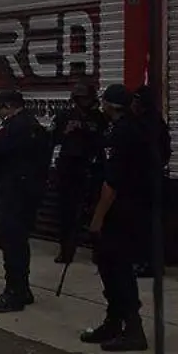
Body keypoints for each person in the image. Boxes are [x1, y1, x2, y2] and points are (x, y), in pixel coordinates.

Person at [82, 84, 154, 352]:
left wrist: (97, 218)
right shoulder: (129, 128)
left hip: (119, 214)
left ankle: (133, 330)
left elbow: (111, 183)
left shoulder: (122, 133)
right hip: (129, 210)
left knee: (119, 270)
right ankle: (114, 322)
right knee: (108, 268)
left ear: (111, 105)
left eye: (104, 102)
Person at [0, 89, 52, 312]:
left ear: (9, 105)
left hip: (14, 192)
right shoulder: (33, 125)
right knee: (19, 240)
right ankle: (23, 288)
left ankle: (14, 292)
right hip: (29, 191)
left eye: (0, 108)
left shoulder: (15, 127)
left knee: (11, 242)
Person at [50, 83, 107, 263]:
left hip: (91, 167)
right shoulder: (64, 116)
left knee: (94, 211)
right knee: (66, 212)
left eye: (86, 98)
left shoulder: (100, 118)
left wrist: (88, 131)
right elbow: (51, 139)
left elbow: (106, 141)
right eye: (80, 98)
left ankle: (98, 250)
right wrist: (66, 132)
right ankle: (66, 249)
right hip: (68, 168)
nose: (83, 102)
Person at [130, 84, 171, 278]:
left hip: (145, 180)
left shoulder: (143, 124)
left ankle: (148, 263)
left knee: (145, 224)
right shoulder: (156, 122)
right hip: (151, 178)